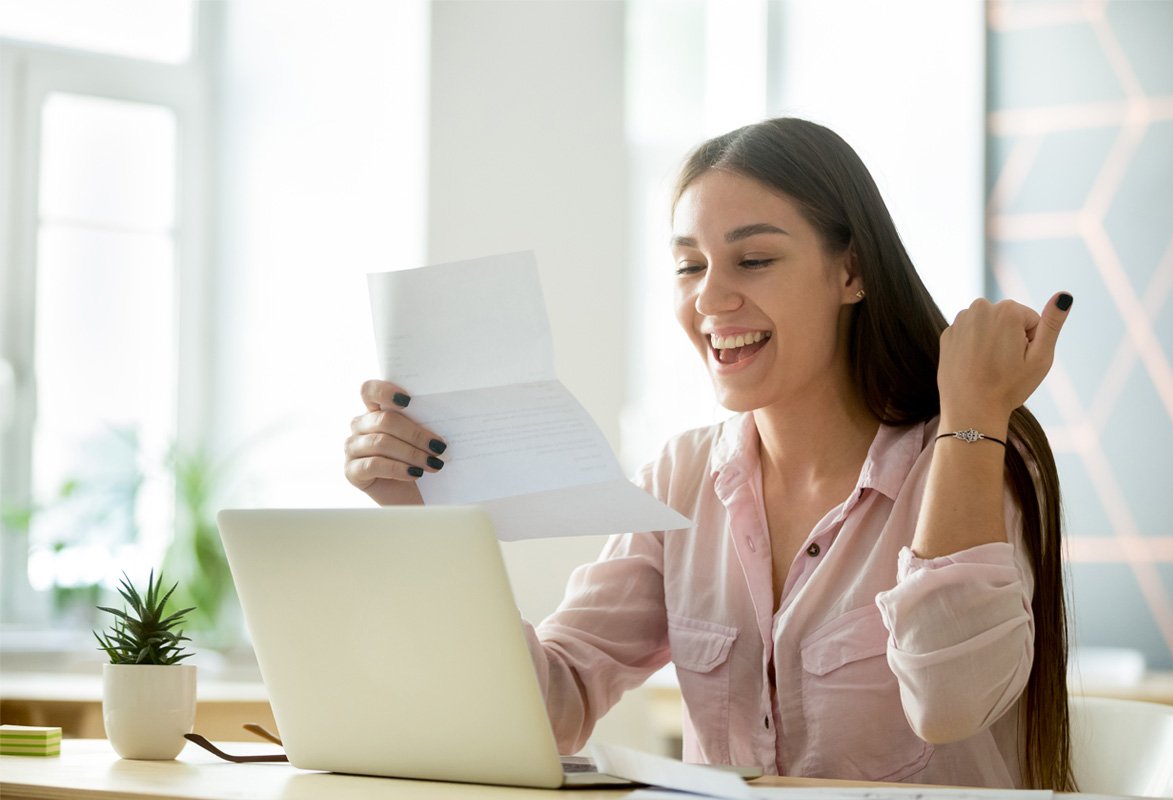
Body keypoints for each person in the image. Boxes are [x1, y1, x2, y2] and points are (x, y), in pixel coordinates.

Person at [343, 118, 1075, 791]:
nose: (710, 299)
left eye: (753, 260)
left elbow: (950, 703)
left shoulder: (966, 459)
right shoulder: (684, 478)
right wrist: (419, 519)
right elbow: (549, 708)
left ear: (850, 272)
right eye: (690, 266)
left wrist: (974, 415)